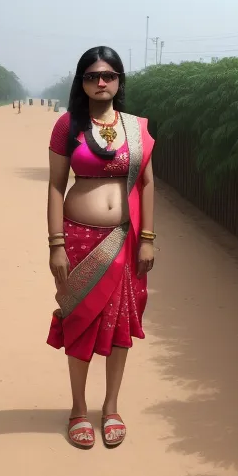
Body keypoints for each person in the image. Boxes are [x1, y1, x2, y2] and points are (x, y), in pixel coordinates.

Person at [46, 46, 156, 450]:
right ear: (83, 82)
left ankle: (111, 407)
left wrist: (147, 238)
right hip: (78, 238)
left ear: (119, 80)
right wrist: (56, 244)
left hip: (125, 239)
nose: (101, 82)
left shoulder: (136, 128)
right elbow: (56, 186)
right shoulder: (67, 125)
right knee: (80, 320)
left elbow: (146, 184)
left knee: (120, 323)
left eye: (109, 75)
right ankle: (78, 408)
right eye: (92, 76)